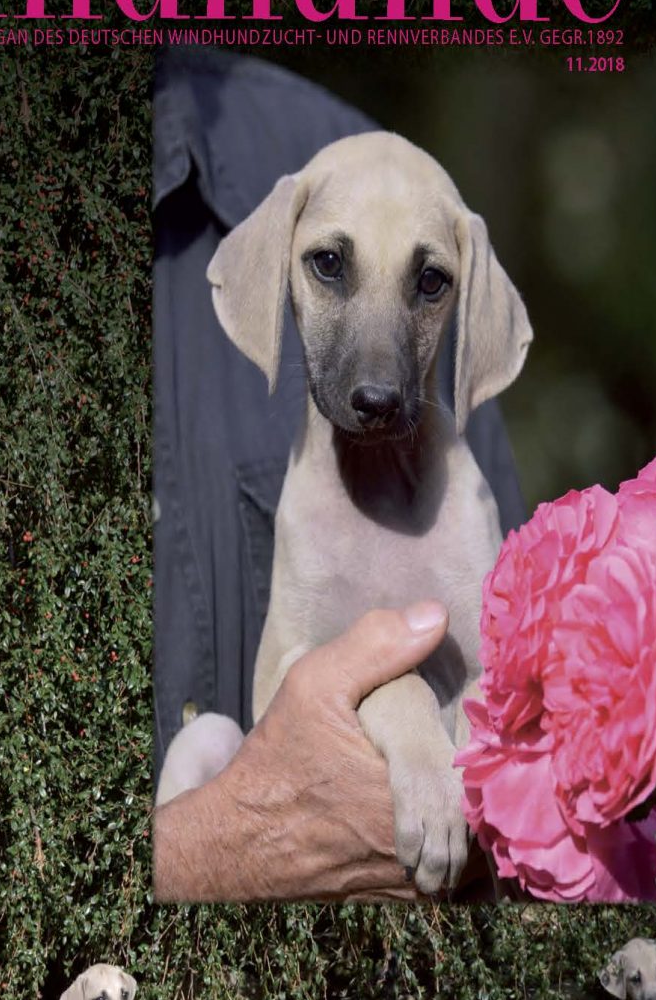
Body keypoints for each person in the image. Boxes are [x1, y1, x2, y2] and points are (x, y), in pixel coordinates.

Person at [152, 50, 525, 901]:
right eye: (330, 267)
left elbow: (512, 697)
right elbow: (285, 695)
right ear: (279, 271)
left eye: (427, 284)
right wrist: (400, 704)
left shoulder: (344, 148)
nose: (378, 380)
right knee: (204, 745)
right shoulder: (306, 502)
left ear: (465, 302)